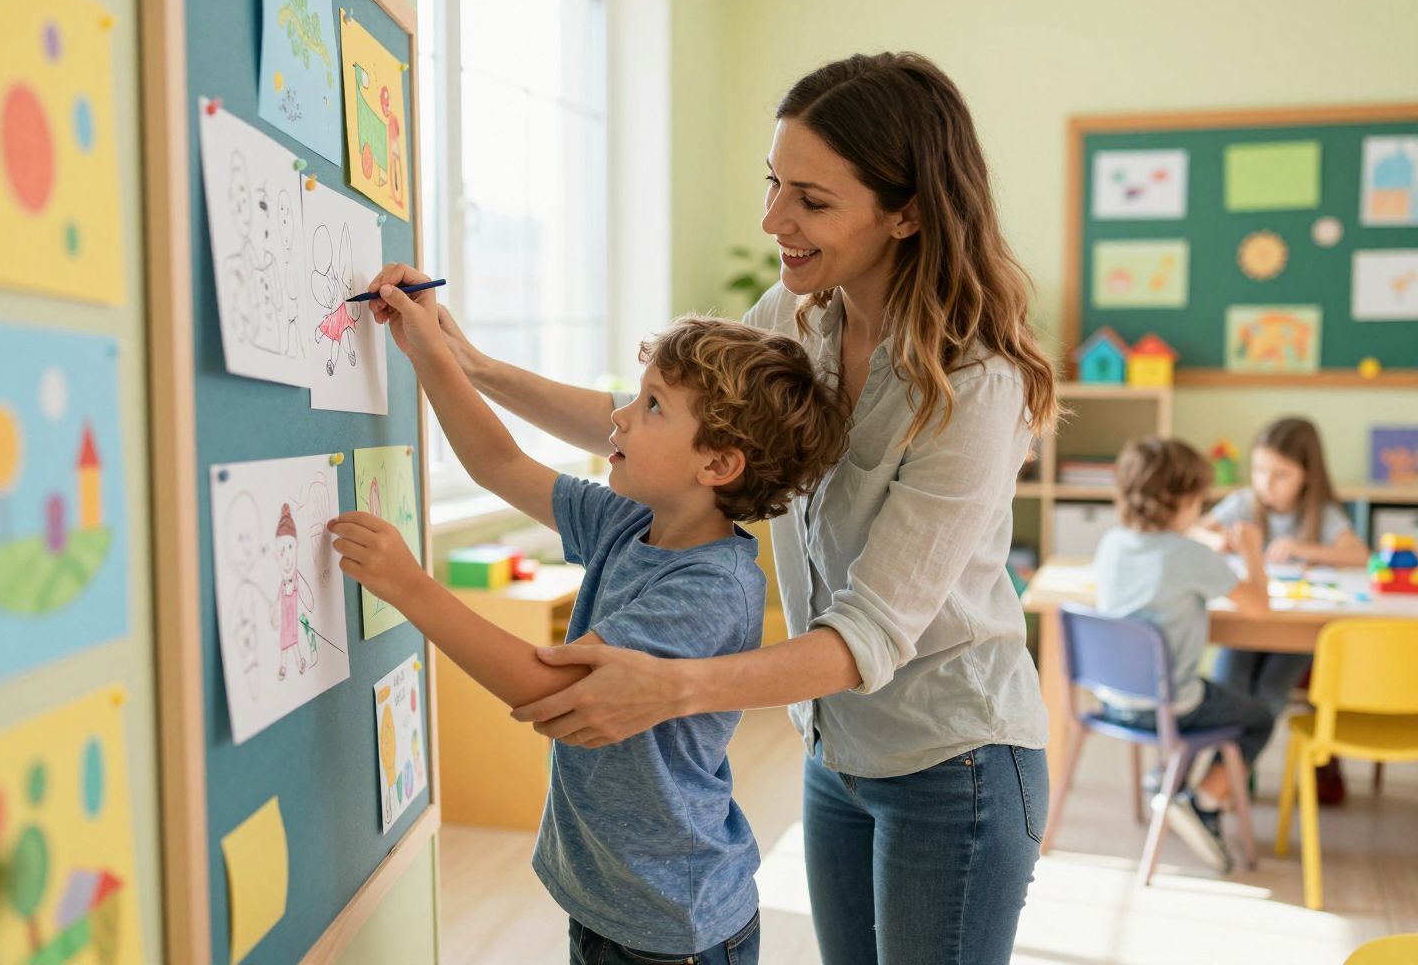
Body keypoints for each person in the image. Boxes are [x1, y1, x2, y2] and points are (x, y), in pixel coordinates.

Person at [384, 51, 1061, 964]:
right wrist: (471, 365)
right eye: (775, 182)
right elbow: (662, 429)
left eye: (813, 201)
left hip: (955, 759)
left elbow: (870, 632)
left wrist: (671, 689)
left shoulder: (977, 386)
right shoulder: (796, 312)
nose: (774, 219)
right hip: (835, 742)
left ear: (907, 212)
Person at [329, 283, 850, 964]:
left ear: (717, 465)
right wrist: (432, 355)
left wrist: (409, 586)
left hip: (674, 932)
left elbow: (545, 687)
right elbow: (498, 463)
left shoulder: (711, 587)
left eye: (653, 405)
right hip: (613, 906)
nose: (622, 418)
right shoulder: (627, 521)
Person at [1093, 438, 1274, 872]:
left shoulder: (1113, 543)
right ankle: (1202, 801)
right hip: (1172, 706)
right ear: (1186, 501)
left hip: (1115, 702)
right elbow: (1259, 608)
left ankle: (1165, 780)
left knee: (1203, 693)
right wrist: (1251, 550)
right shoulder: (1190, 556)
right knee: (1259, 717)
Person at [1193, 417, 1371, 803]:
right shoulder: (1244, 503)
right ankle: (1221, 783)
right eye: (1258, 471)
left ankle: (1217, 787)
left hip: (1294, 634)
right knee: (1228, 684)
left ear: (1307, 474)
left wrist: (1305, 549)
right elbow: (1194, 530)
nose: (1265, 484)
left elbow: (1360, 556)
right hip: (1246, 623)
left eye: (1280, 475)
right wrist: (1219, 539)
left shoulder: (1320, 514)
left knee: (1268, 692)